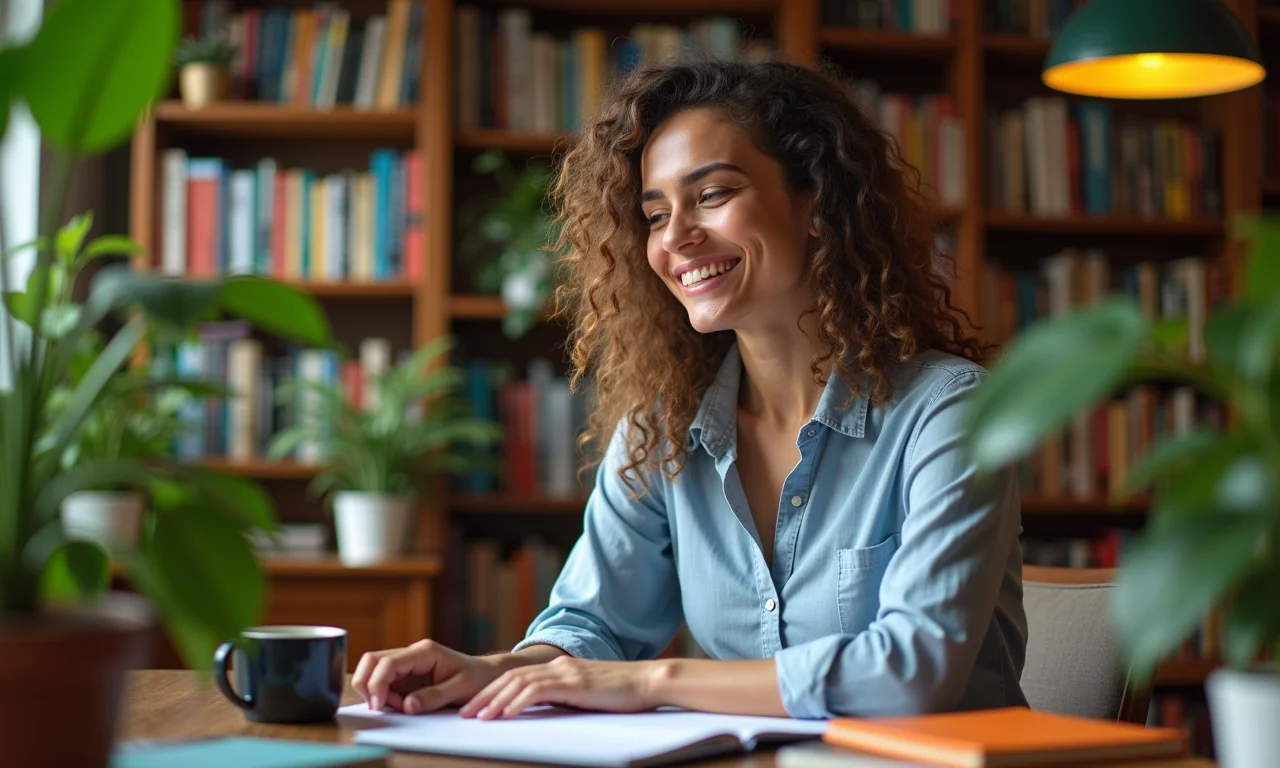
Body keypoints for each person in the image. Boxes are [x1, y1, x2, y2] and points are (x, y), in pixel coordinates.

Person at [353, 56, 1028, 722]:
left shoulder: (950, 411)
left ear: (816, 203)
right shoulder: (664, 428)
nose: (675, 237)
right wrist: (489, 670)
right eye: (653, 214)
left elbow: (912, 671)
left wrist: (652, 681)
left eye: (713, 195)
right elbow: (593, 627)